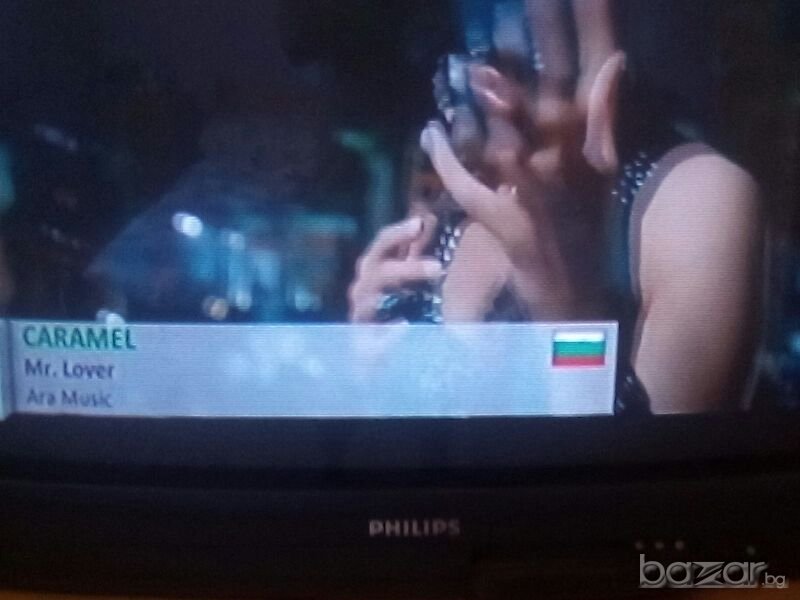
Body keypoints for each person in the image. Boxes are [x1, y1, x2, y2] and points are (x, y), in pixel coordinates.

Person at [348, 0, 763, 414]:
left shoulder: (694, 202)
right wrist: (363, 375)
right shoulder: (449, 201)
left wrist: (570, 320)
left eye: (528, 66)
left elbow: (654, 456)